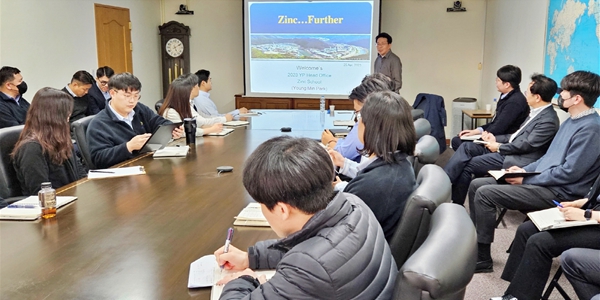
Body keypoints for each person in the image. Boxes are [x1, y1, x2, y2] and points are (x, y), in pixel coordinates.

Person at [213, 136, 397, 299]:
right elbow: (311, 247)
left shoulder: (310, 267)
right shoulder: (353, 203)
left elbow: (311, 260)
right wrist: (251, 258)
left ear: (282, 210)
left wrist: (244, 280)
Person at [469, 70, 600, 274]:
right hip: (544, 182)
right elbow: (547, 159)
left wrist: (526, 179)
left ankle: (482, 257)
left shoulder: (591, 129)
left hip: (561, 193)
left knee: (486, 193)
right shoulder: (572, 121)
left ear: (576, 98)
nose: (560, 95)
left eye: (564, 91)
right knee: (477, 184)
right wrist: (524, 170)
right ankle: (476, 242)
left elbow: (569, 173)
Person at [444, 74, 559, 205]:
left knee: (468, 164)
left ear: (537, 97)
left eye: (528, 92)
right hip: (509, 150)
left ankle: (455, 202)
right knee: (466, 147)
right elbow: (515, 136)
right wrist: (494, 138)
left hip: (517, 158)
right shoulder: (535, 112)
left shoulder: (548, 120)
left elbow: (526, 145)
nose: (525, 94)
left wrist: (498, 146)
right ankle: (445, 181)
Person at [490, 174, 600, 300]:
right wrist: (575, 204)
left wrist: (587, 214)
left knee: (541, 242)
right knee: (527, 229)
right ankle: (515, 292)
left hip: (594, 221)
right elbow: (595, 196)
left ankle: (521, 296)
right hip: (592, 216)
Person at [332, 91, 417, 240]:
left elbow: (339, 231)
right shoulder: (401, 164)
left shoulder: (373, 184)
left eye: (359, 118)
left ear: (370, 127)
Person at [87, 72, 183, 169]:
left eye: (136, 96)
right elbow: (98, 159)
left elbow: (159, 122)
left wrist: (172, 129)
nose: (132, 101)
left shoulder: (139, 109)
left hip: (147, 165)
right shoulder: (98, 124)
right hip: (121, 175)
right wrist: (128, 146)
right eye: (127, 96)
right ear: (112, 93)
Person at [11, 87, 86, 195]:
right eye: (66, 113)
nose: (68, 117)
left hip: (71, 199)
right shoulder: (31, 148)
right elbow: (41, 192)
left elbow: (80, 174)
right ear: (54, 116)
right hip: (52, 206)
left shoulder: (61, 139)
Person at [321, 73, 395, 163]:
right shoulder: (393, 122)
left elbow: (342, 154)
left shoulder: (368, 125)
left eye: (358, 112)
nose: (359, 119)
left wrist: (330, 142)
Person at [451, 65, 529, 149]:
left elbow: (499, 127)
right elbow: (495, 122)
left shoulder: (514, 102)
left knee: (460, 143)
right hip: (494, 135)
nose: (496, 82)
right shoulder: (507, 96)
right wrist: (476, 131)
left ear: (507, 84)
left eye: (498, 80)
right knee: (458, 140)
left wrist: (482, 135)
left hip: (500, 141)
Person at [158, 73, 224, 135]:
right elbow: (183, 132)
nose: (199, 88)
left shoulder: (187, 104)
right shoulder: (170, 112)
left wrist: (206, 127)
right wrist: (210, 130)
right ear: (190, 90)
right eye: (197, 86)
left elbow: (197, 123)